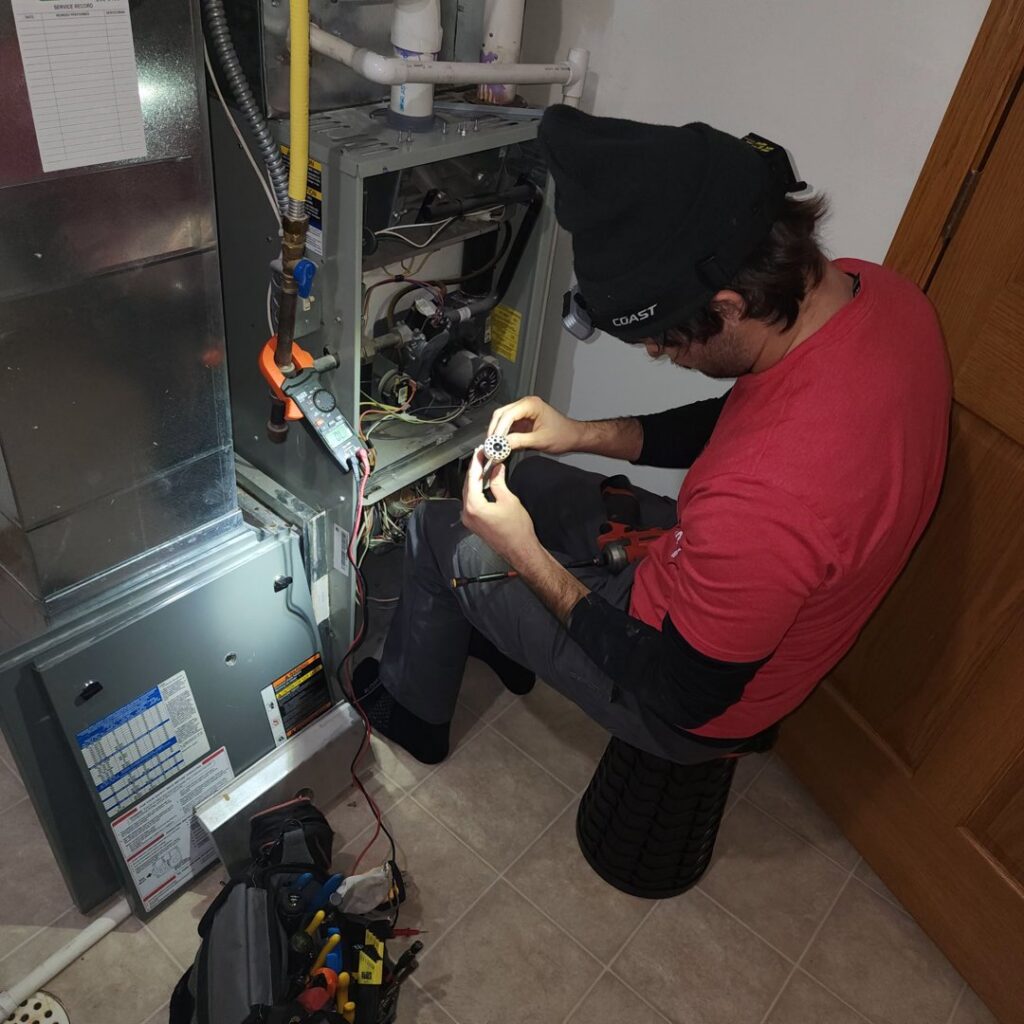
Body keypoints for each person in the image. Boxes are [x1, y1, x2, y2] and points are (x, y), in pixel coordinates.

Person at [350, 105, 951, 766]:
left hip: (681, 700)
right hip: (712, 586)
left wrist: (526, 554)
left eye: (667, 344)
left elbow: (679, 693)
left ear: (728, 308)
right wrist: (579, 433)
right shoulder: (880, 297)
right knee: (518, 472)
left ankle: (414, 714)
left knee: (436, 533)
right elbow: (743, 422)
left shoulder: (765, 507)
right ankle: (493, 632)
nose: (664, 356)